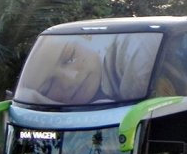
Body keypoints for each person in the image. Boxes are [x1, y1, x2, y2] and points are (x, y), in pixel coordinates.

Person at [16, 34, 160, 105]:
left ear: (87, 37)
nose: (70, 79)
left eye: (69, 58)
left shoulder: (135, 48)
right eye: (48, 87)